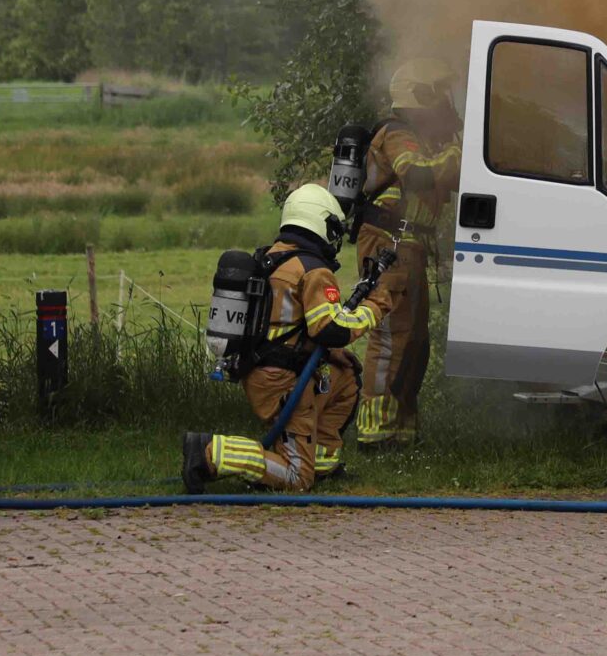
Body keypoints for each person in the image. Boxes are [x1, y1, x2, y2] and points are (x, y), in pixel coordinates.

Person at [182, 183, 390, 494]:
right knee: (296, 479)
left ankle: (322, 464)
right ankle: (211, 452)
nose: (334, 239)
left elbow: (291, 326)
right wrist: (376, 306)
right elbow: (331, 329)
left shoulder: (272, 258)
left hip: (266, 370)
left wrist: (330, 355)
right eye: (333, 228)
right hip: (283, 381)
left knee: (344, 376)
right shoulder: (313, 269)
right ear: (320, 222)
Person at [352, 61, 462, 445]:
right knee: (391, 335)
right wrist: (456, 154)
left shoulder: (421, 138)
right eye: (437, 95)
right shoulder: (398, 133)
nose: (444, 104)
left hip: (408, 246)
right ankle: (375, 430)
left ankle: (402, 430)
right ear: (420, 95)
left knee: (415, 341)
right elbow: (415, 173)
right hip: (388, 244)